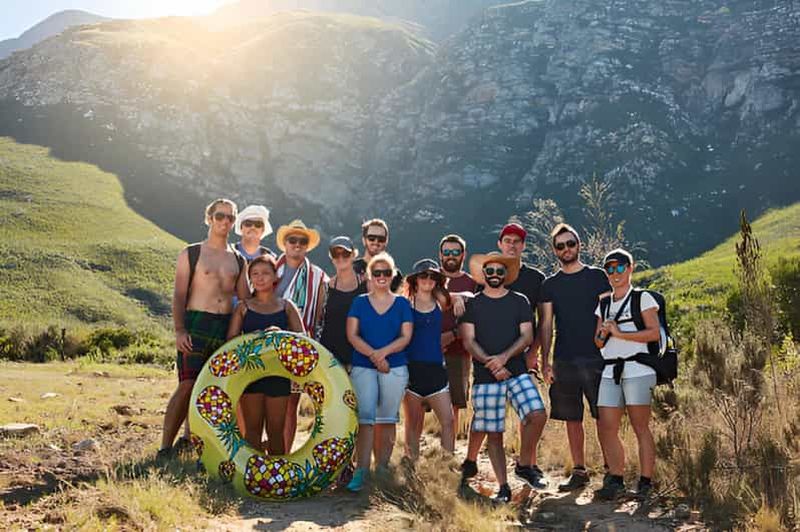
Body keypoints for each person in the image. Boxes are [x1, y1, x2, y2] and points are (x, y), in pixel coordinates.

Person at [158, 199, 249, 459]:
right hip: (196, 322)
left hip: (225, 327)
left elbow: (245, 301)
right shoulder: (191, 253)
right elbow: (178, 295)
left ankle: (194, 443)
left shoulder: (239, 260)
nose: (225, 221)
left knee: (213, 388)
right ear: (209, 218)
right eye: (220, 216)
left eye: (230, 218)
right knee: (187, 385)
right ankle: (165, 447)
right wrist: (179, 330)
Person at [460, 252, 548, 502]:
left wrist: (504, 358)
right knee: (494, 433)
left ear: (506, 275)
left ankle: (524, 464)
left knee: (537, 414)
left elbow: (527, 336)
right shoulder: (473, 305)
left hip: (516, 371)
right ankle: (503, 487)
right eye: (490, 271)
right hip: (485, 376)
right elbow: (468, 340)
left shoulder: (519, 301)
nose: (495, 275)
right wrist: (492, 364)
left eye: (500, 271)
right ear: (484, 274)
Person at [538, 223, 611, 492]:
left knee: (603, 416)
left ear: (579, 245)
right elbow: (546, 324)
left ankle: (612, 472)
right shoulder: (550, 285)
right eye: (560, 246)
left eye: (570, 243)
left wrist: (606, 348)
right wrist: (545, 361)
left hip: (597, 358)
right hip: (564, 358)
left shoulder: (597, 276)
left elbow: (608, 314)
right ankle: (579, 472)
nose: (566, 249)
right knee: (572, 418)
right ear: (554, 250)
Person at [593, 249, 659, 500]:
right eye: (609, 269)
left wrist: (620, 334)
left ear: (631, 268)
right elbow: (598, 342)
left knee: (640, 426)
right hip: (610, 371)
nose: (615, 273)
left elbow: (653, 333)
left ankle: (645, 483)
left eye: (620, 267)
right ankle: (616, 480)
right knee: (606, 427)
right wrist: (604, 332)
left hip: (638, 370)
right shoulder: (603, 303)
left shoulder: (643, 298)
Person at [345, 252, 413, 492]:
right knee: (365, 419)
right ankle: (361, 471)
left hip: (395, 367)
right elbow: (352, 335)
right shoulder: (359, 302)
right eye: (377, 272)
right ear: (369, 276)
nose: (381, 276)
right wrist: (375, 357)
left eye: (386, 272)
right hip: (363, 367)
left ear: (392, 275)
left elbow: (406, 336)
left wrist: (382, 354)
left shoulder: (402, 303)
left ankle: (382, 469)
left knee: (387, 418)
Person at [225, 255, 304, 455]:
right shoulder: (243, 307)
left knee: (276, 432)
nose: (260, 278)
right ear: (250, 277)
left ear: (275, 276)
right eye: (255, 274)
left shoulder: (286, 306)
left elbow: (303, 340)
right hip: (250, 376)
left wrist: (281, 334)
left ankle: (278, 473)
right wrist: (255, 337)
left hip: (279, 375)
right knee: (252, 432)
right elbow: (231, 341)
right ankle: (252, 473)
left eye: (265, 273)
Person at [274, 219, 329, 452]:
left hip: (299, 347)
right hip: (268, 345)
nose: (297, 244)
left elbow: (319, 316)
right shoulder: (269, 268)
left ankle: (285, 455)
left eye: (302, 241)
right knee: (263, 402)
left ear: (307, 246)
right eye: (292, 240)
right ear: (285, 243)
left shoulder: (319, 277)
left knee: (290, 404)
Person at [402, 259, 456, 461]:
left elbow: (465, 296)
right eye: (423, 275)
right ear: (415, 280)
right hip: (412, 370)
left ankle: (446, 467)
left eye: (433, 276)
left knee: (448, 421)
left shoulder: (440, 301)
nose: (428, 279)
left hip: (436, 370)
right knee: (413, 425)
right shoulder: (406, 304)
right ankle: (411, 467)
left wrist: (459, 299)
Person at [438, 234, 478, 438]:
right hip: (429, 350)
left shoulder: (471, 282)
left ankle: (448, 450)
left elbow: (477, 306)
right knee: (421, 402)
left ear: (463, 254)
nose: (451, 256)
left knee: (454, 403)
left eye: (455, 252)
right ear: (440, 255)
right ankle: (414, 451)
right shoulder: (432, 277)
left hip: (459, 352)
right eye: (447, 252)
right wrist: (454, 297)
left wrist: (453, 334)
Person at [319, 236, 367, 370]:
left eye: (345, 253)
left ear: (353, 255)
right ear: (331, 257)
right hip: (331, 360)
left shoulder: (366, 284)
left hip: (360, 358)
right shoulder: (325, 287)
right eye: (336, 254)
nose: (340, 258)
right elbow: (319, 321)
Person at [352, 218, 404, 292]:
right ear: (364, 240)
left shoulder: (395, 274)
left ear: (386, 242)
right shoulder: (351, 270)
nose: (376, 242)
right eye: (371, 238)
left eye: (381, 239)